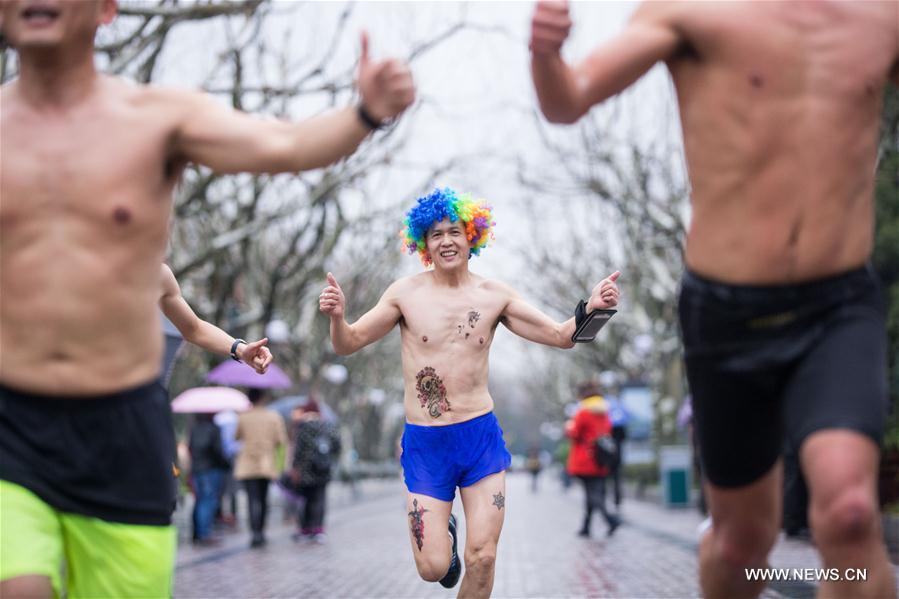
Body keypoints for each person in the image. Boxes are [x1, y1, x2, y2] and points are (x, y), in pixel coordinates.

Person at [0, 0, 414, 595]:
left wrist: (365, 113)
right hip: (13, 424)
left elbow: (286, 146)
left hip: (123, 428)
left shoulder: (154, 120)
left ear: (106, 8)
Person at [530, 2, 899, 597]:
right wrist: (546, 54)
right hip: (728, 314)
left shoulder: (879, 15)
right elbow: (567, 100)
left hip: (838, 307)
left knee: (852, 517)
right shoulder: (690, 9)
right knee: (740, 547)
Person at [319, 187, 620, 598]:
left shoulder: (494, 295)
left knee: (484, 557)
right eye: (437, 234)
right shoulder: (404, 294)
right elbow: (348, 342)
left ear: (471, 236)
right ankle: (445, 530)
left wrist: (594, 307)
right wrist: (338, 317)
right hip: (427, 443)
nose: (446, 241)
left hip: (479, 439)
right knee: (433, 568)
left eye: (455, 232)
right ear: (424, 243)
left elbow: (560, 335)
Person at [565, 381, 621, 538]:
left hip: (585, 459)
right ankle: (586, 526)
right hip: (600, 458)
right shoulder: (605, 412)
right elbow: (608, 430)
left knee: (593, 494)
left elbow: (575, 433)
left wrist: (569, 426)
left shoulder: (583, 412)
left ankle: (610, 520)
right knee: (594, 492)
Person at [234, 388, 288, 548]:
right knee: (263, 499)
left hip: (247, 462)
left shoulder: (243, 417)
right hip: (266, 462)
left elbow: (236, 437)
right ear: (262, 398)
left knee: (252, 499)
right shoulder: (273, 417)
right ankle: (261, 531)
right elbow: (280, 440)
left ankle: (254, 533)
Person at [286, 398, 341, 543]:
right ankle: (318, 530)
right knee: (320, 499)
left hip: (306, 470)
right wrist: (329, 458)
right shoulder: (327, 425)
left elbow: (299, 450)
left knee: (306, 499)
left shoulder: (303, 426)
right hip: (323, 468)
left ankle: (306, 529)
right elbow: (337, 444)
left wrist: (295, 467)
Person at [187, 413, 231, 546]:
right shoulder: (214, 428)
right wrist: (226, 464)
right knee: (208, 500)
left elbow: (190, 448)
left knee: (200, 500)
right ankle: (204, 533)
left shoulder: (194, 428)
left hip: (197, 469)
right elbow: (217, 451)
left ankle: (197, 532)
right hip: (210, 469)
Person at [605, 393, 628, 510]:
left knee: (605, 477)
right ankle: (617, 499)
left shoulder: (605, 420)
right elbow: (624, 437)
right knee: (616, 478)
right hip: (617, 455)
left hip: (606, 455)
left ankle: (606, 498)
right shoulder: (620, 421)